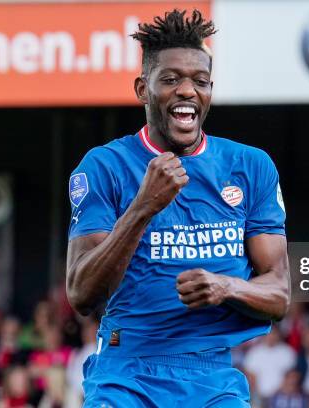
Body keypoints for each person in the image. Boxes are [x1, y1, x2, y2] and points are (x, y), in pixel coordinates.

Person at [65, 9, 290, 407]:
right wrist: (142, 208)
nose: (187, 90)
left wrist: (226, 286)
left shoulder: (251, 167)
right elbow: (81, 293)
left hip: (213, 378)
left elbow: (279, 294)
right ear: (142, 89)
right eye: (170, 79)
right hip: (125, 373)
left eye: (199, 81)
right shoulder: (104, 166)